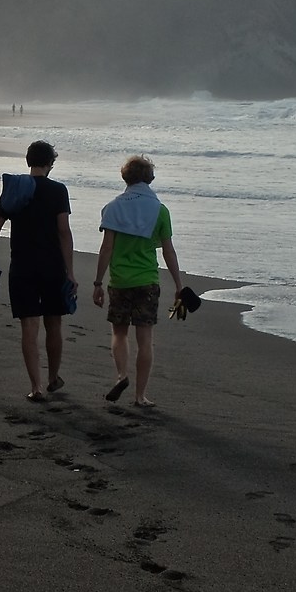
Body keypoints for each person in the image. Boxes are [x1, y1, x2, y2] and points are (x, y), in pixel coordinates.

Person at [0, 140, 76, 402]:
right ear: (50, 163)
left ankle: (36, 387)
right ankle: (54, 377)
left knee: (29, 327)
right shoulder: (58, 190)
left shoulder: (15, 188)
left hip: (22, 266)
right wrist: (70, 271)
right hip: (52, 266)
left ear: (28, 161)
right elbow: (64, 232)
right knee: (53, 323)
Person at [90, 155, 184, 408]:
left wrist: (98, 282)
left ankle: (122, 375)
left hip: (120, 280)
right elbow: (168, 251)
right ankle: (140, 396)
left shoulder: (113, 207)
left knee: (119, 333)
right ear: (150, 178)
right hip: (147, 280)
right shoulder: (160, 210)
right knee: (145, 338)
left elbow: (106, 248)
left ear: (126, 177)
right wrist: (178, 285)